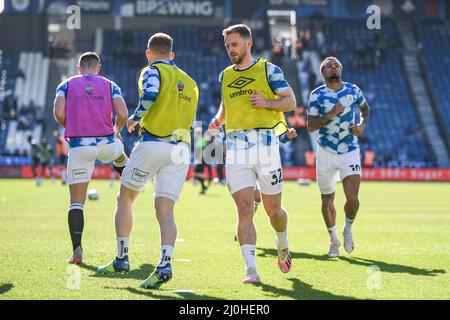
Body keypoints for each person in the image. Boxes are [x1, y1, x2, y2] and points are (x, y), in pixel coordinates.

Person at [97, 33, 199, 289]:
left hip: (153, 143)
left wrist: (134, 118)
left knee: (125, 198)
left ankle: (122, 258)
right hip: (181, 150)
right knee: (165, 210)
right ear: (172, 54)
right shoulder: (191, 82)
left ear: (148, 53)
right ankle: (165, 263)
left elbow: (151, 94)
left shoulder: (151, 70)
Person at [209, 24, 296, 284]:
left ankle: (282, 241)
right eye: (227, 46)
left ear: (248, 43)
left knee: (273, 211)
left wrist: (267, 103)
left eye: (234, 45)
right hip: (236, 148)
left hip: (267, 147)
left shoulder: (269, 69)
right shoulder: (225, 75)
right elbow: (225, 107)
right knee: (244, 208)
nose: (230, 50)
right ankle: (251, 269)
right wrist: (217, 121)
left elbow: (290, 101)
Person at [53, 52, 129, 264]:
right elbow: (123, 113)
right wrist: (116, 129)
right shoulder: (109, 84)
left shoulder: (66, 85)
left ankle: (77, 252)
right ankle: (128, 174)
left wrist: (72, 126)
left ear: (79, 68)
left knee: (76, 202)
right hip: (106, 144)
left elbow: (58, 112)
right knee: (119, 153)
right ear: (98, 68)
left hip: (79, 148)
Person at [307, 56, 371, 257]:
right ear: (323, 73)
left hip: (349, 149)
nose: (333, 67)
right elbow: (310, 126)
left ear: (341, 70)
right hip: (325, 151)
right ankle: (333, 239)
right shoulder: (317, 95)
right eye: (329, 66)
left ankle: (348, 228)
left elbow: (365, 109)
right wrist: (331, 114)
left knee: (352, 198)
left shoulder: (353, 90)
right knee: (327, 200)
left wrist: (361, 125)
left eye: (336, 65)